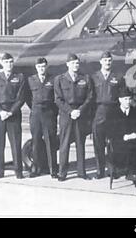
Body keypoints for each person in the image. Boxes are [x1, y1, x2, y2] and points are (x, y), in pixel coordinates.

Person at [54, 53, 93, 181]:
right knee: (64, 144)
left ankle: (81, 172)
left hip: (80, 114)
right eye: (72, 63)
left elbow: (89, 97)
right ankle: (62, 173)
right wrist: (70, 111)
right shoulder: (60, 79)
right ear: (67, 65)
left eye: (77, 63)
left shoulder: (85, 78)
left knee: (80, 143)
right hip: (66, 114)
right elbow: (58, 99)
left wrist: (80, 110)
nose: (75, 65)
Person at [0, 53, 26, 179]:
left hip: (13, 114)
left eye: (11, 62)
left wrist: (11, 112)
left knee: (16, 143)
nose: (9, 64)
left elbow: (21, 98)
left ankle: (18, 170)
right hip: (0, 115)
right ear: (2, 63)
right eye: (6, 62)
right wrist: (1, 111)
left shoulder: (19, 77)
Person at [106, 86, 136, 195]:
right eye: (125, 99)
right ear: (120, 100)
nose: (127, 101)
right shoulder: (112, 114)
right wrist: (125, 137)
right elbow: (110, 132)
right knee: (129, 151)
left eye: (129, 99)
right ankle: (135, 176)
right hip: (119, 146)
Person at [91, 51, 122, 179]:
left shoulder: (117, 77)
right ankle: (100, 170)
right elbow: (90, 96)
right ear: (100, 62)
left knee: (113, 143)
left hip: (113, 112)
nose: (107, 63)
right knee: (98, 143)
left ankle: (112, 169)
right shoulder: (94, 77)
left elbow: (121, 95)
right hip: (98, 112)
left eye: (109, 60)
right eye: (105, 61)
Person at [26, 57, 58, 178]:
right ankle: (35, 168)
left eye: (43, 66)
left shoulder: (52, 79)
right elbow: (27, 97)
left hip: (49, 114)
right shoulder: (31, 80)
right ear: (36, 68)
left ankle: (53, 169)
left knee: (51, 142)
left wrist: (52, 112)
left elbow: (56, 97)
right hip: (36, 114)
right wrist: (35, 108)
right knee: (36, 141)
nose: (41, 69)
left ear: (46, 67)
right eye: (39, 67)